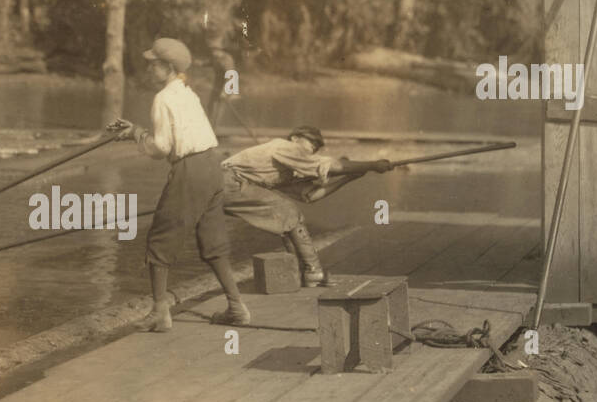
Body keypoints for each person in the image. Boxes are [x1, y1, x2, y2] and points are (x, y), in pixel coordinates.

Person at [110, 37, 250, 331]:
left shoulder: (162, 98)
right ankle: (237, 307)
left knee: (159, 241)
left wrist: (136, 135)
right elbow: (178, 136)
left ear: (168, 67)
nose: (148, 70)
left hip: (190, 172)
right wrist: (138, 130)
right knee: (213, 244)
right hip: (212, 167)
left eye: (153, 65)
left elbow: (161, 148)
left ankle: (160, 313)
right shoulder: (189, 94)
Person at [220, 126, 392, 286]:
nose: (313, 148)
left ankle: (301, 273)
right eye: (311, 142)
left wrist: (349, 176)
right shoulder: (285, 146)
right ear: (295, 138)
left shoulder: (284, 169)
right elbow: (325, 165)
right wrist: (372, 165)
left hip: (229, 185)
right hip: (227, 181)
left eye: (317, 147)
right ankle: (313, 271)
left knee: (287, 218)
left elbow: (309, 195)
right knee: (288, 212)